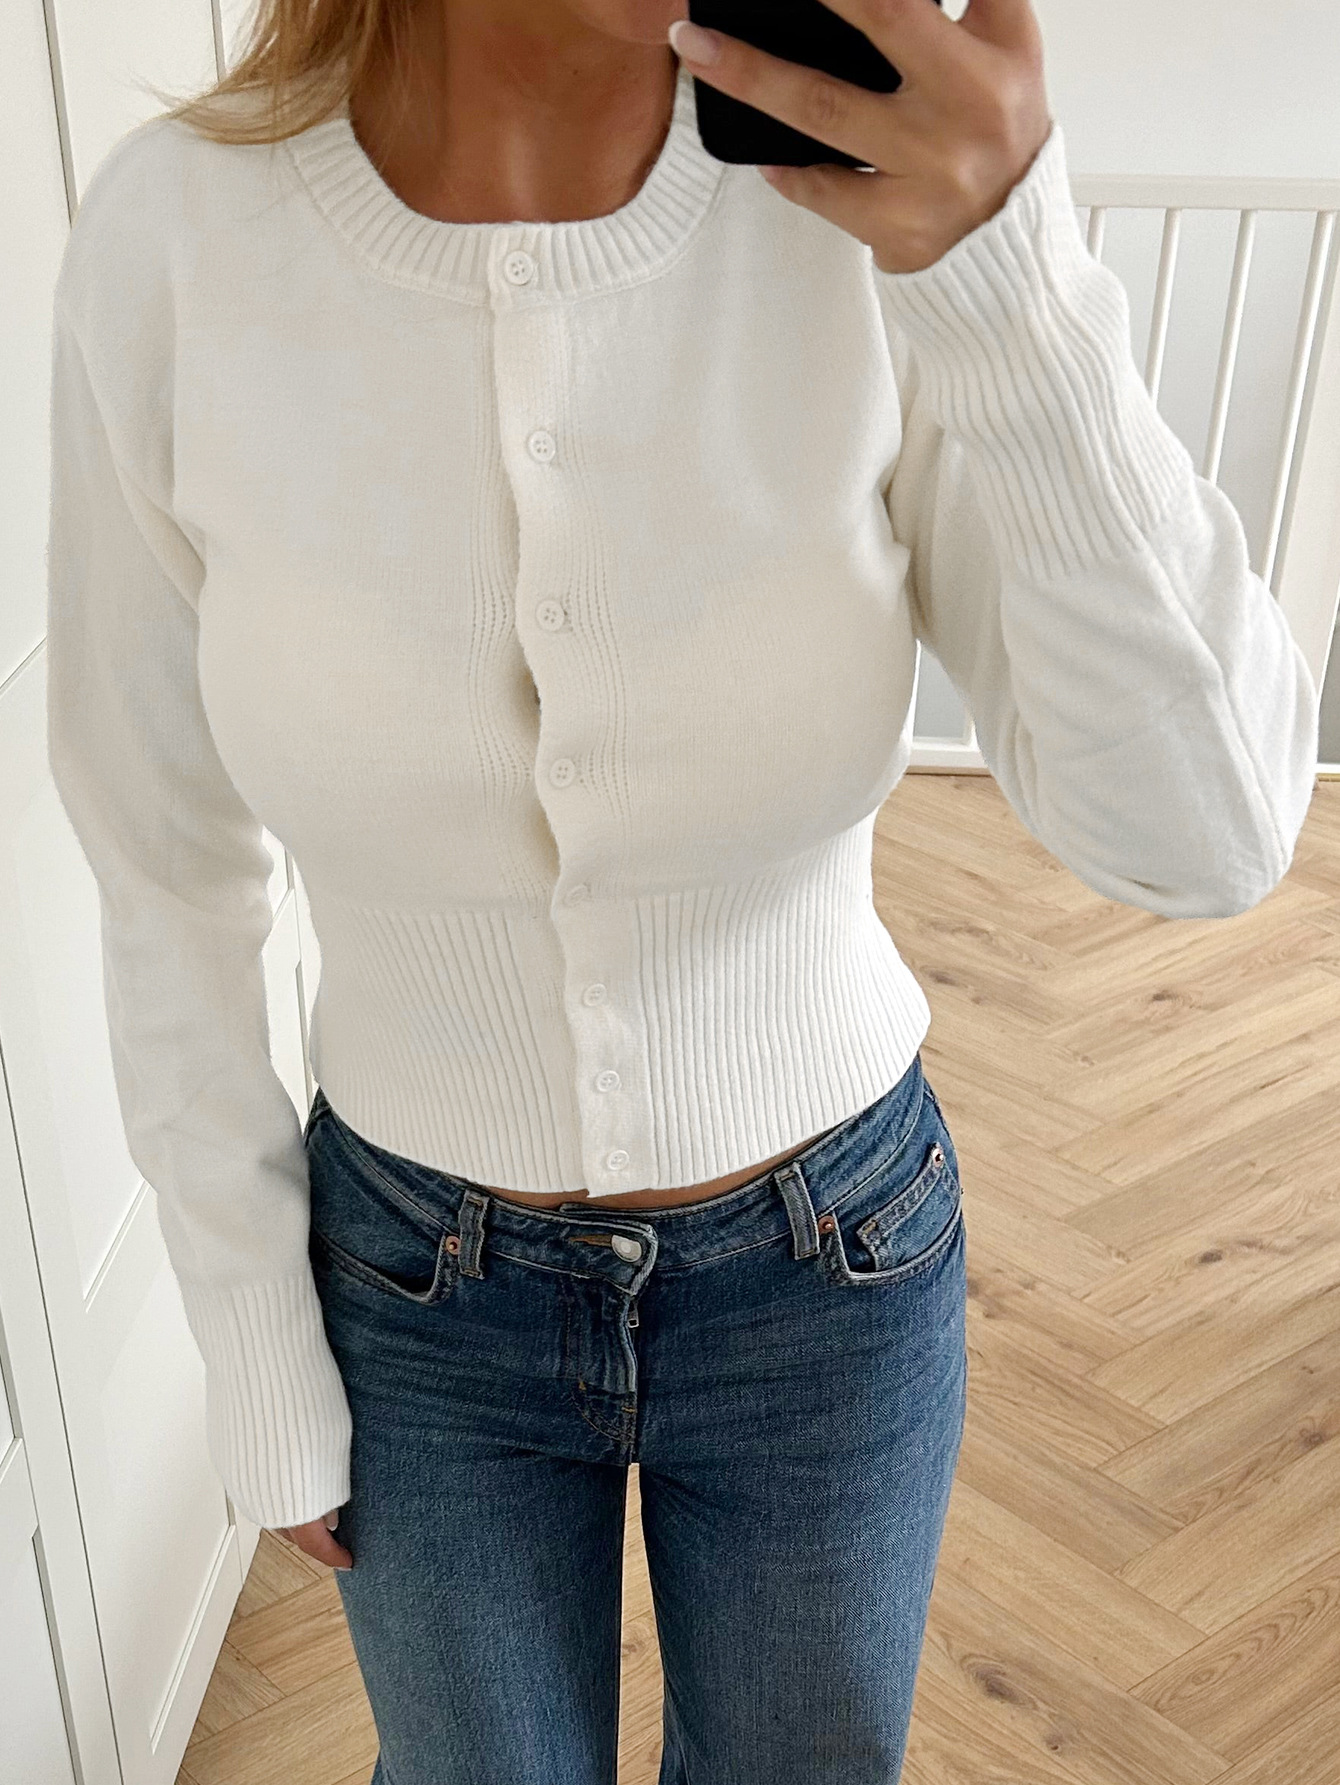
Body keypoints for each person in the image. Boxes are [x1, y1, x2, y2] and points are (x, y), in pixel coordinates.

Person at [44, 0, 1318, 1778]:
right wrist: (251, 1330)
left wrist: (1007, 279)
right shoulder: (177, 238)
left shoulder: (881, 209)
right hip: (413, 1296)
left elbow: (1211, 827)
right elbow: (159, 859)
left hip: (831, 1266)